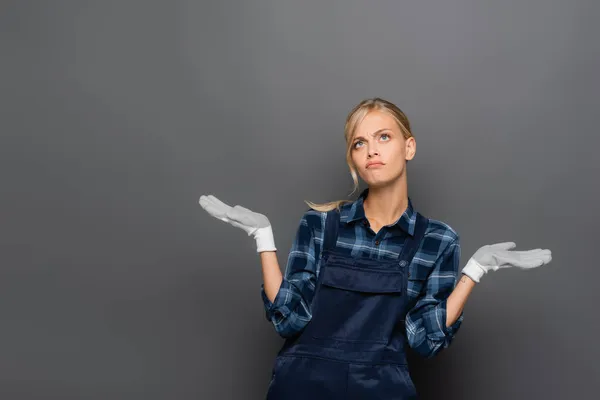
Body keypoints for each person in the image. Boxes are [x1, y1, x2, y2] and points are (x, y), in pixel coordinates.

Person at [199, 97, 552, 399]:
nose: (372, 150)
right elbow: (289, 318)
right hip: (302, 387)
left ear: (408, 147)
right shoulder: (320, 225)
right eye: (359, 143)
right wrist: (264, 238)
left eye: (384, 136)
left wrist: (475, 270)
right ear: (353, 158)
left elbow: (424, 339)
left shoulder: (438, 241)